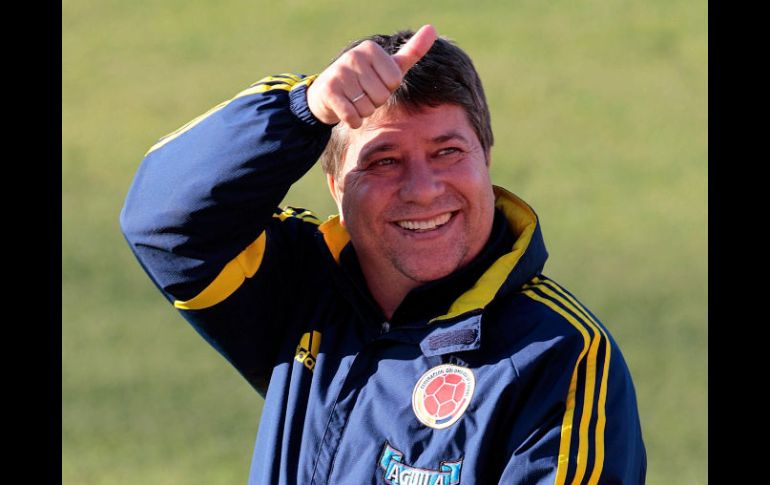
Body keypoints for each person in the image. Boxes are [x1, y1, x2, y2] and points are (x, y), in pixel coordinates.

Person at [121, 24, 646, 485]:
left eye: (447, 152)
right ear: (335, 187)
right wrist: (303, 109)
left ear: (485, 159)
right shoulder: (298, 283)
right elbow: (163, 221)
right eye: (383, 161)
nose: (422, 189)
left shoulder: (557, 354)